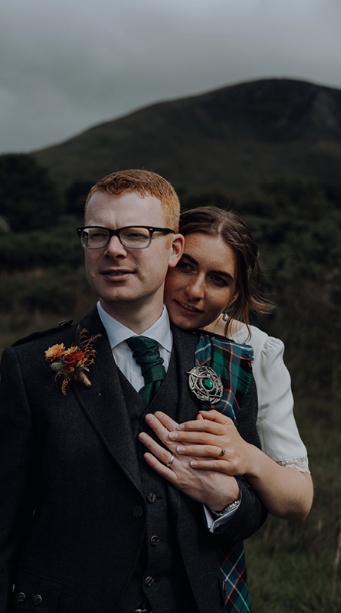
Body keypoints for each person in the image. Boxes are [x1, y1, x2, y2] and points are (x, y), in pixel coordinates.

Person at [0, 170, 267, 613]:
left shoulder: (226, 363)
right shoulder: (28, 368)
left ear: (173, 248)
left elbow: (252, 509)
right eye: (97, 234)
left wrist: (227, 500)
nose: (114, 250)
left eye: (136, 235)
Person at [142, 206, 313, 522]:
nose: (195, 291)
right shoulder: (122, 321)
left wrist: (248, 457)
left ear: (234, 295)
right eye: (185, 266)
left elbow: (298, 501)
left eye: (218, 280)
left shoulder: (256, 351)